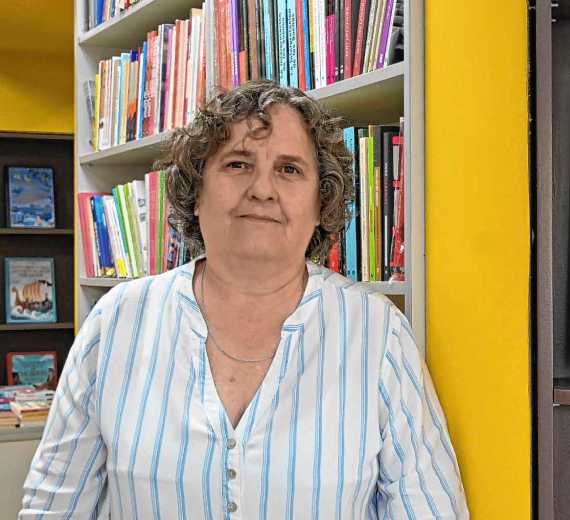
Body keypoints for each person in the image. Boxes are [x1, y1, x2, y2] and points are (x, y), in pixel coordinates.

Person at [20, 81, 468, 519]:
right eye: (237, 164)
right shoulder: (117, 321)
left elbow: (430, 507)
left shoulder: (377, 332)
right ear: (195, 192)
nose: (262, 189)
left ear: (319, 205)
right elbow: (53, 506)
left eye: (290, 169)